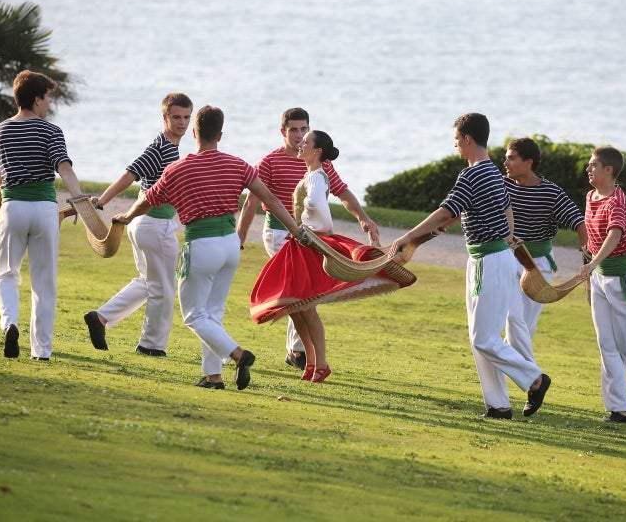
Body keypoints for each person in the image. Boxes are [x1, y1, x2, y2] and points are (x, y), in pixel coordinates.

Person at [113, 105, 302, 390]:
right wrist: (295, 231)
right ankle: (213, 377)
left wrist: (128, 216)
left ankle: (238, 355)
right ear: (221, 135)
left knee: (193, 315)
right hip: (230, 245)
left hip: (202, 244)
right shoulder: (238, 164)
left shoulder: (178, 168)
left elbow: (147, 200)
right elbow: (271, 200)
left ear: (194, 132)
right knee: (212, 313)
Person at [388, 113, 551, 420]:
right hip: (488, 258)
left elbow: (446, 210)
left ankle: (535, 380)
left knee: (483, 338)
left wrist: (408, 236)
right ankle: (498, 405)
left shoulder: (473, 174)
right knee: (481, 338)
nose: (455, 147)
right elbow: (500, 212)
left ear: (467, 139)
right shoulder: (491, 172)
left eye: (456, 141)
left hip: (488, 260)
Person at [249, 130, 412, 383]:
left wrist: (312, 230)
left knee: (306, 306)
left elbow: (319, 209)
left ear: (317, 151)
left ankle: (320, 364)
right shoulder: (311, 174)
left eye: (306, 142)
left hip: (309, 244)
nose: (300, 144)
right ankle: (312, 362)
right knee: (295, 306)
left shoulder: (317, 177)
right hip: (301, 244)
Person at [237, 107, 379, 371]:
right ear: (283, 131)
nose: (299, 135)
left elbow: (342, 192)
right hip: (279, 233)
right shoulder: (269, 162)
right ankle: (301, 352)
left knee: (300, 293)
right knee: (298, 292)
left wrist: (362, 217)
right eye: (293, 130)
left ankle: (301, 352)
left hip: (306, 236)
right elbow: (251, 202)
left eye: (304, 129)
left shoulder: (319, 164)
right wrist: (239, 239)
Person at [0, 70, 86, 360]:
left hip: (12, 208)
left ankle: (9, 323)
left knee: (6, 273)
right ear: (37, 99)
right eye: (48, 97)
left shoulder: (1, 130)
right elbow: (64, 168)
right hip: (44, 210)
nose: (50, 103)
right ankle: (41, 351)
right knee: (44, 282)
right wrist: (79, 199)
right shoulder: (51, 131)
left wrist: (0, 174)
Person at [82, 93, 193, 356]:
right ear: (165, 117)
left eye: (187, 117)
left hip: (146, 223)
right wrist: (103, 200)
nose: (182, 123)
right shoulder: (162, 147)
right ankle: (151, 345)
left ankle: (100, 318)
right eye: (176, 117)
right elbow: (131, 173)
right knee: (163, 290)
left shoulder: (169, 146)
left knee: (148, 282)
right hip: (153, 224)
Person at [578, 146, 626, 423]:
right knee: (606, 343)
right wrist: (588, 261)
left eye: (593, 165)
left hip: (625, 279)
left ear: (608, 170)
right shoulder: (591, 196)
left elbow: (614, 235)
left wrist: (592, 263)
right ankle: (619, 408)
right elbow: (594, 237)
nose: (588, 169)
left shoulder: (616, 201)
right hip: (600, 277)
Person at [503, 137, 588, 362]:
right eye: (506, 158)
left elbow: (578, 222)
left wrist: (587, 258)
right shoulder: (502, 185)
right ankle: (533, 380)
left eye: (511, 158)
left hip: (538, 264)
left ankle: (519, 374)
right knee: (514, 319)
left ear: (529, 162)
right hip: (507, 259)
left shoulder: (551, 193)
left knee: (525, 328)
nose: (506, 163)